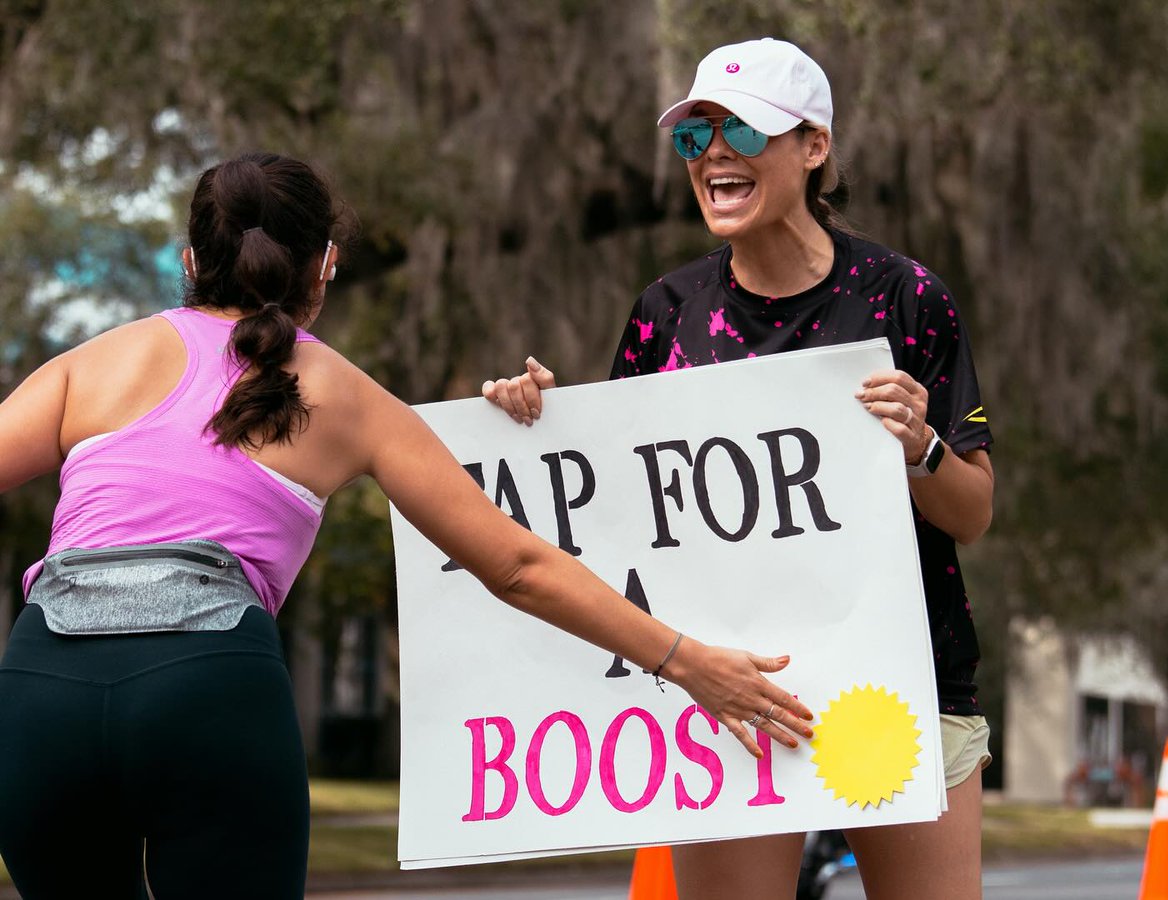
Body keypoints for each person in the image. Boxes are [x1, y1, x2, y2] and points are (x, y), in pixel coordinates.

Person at [0, 152, 815, 900]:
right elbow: (519, 567)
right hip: (205, 686)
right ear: (325, 265)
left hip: (44, 690)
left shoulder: (92, 363)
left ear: (190, 261)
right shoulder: (346, 394)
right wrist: (685, 661)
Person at [483, 38, 995, 900]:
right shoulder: (666, 312)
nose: (716, 152)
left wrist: (922, 447)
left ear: (814, 147)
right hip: (729, 693)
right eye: (696, 136)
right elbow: (620, 503)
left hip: (901, 676)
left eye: (745, 131)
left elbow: (973, 513)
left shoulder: (906, 297)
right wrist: (534, 425)